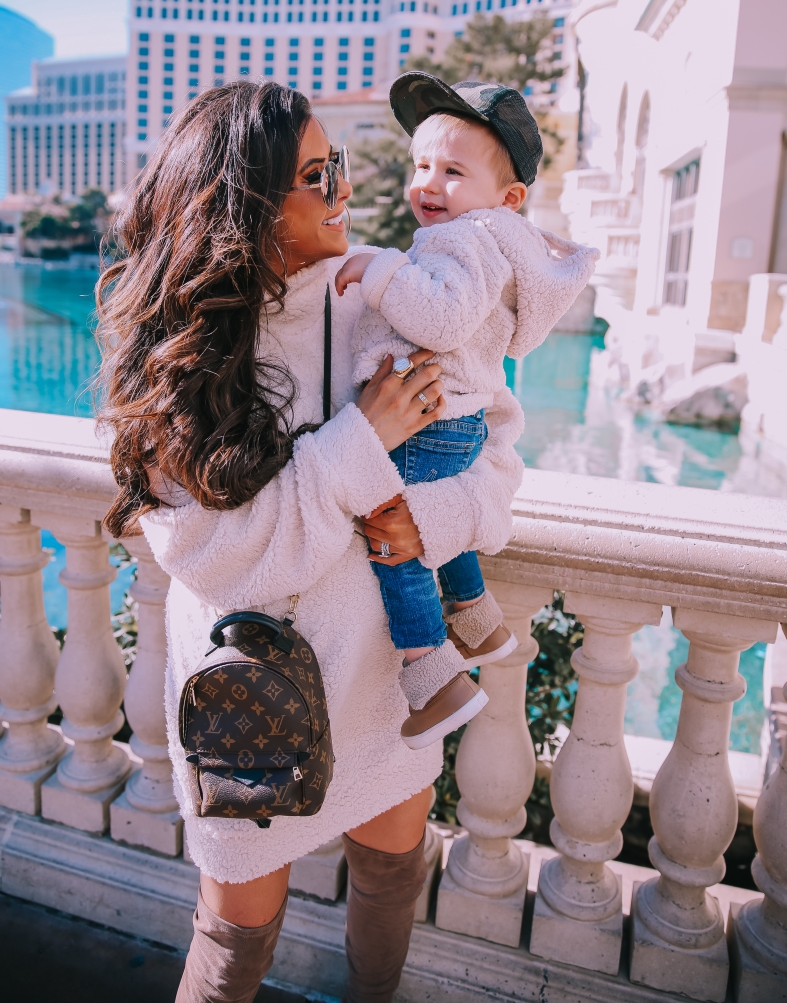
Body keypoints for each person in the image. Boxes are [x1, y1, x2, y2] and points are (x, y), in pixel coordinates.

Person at [95, 80, 526, 1003]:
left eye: (341, 170)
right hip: (249, 694)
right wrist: (359, 444)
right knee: (229, 946)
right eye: (317, 175)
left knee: (388, 887)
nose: (345, 192)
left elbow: (493, 456)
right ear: (242, 202)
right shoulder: (182, 353)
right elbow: (217, 555)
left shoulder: (390, 296)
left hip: (387, 686)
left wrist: (430, 522)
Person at [335, 73, 599, 750]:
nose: (429, 183)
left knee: (392, 536)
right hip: (457, 421)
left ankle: (432, 676)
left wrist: (378, 269)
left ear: (508, 198)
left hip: (425, 420)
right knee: (425, 521)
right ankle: (480, 622)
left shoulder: (464, 238)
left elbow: (444, 319)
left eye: (453, 170)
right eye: (422, 165)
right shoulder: (495, 239)